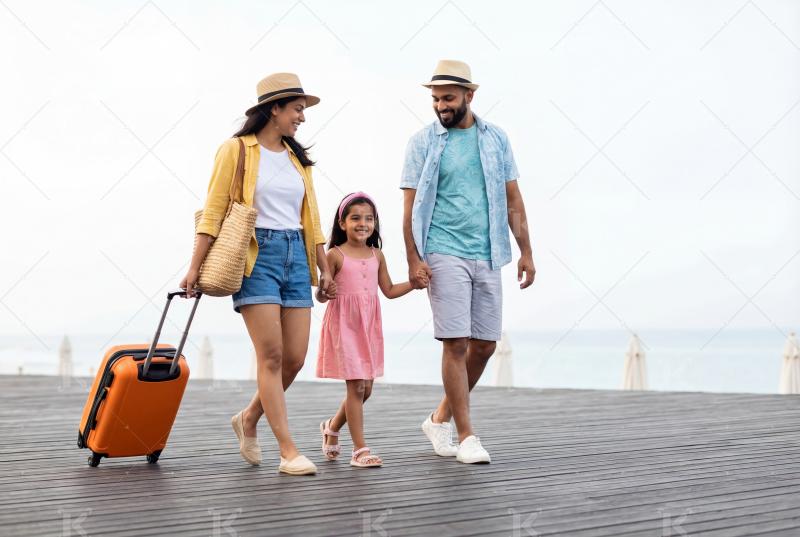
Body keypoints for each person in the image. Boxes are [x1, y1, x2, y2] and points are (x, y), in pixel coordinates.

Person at [181, 73, 334, 476]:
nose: (302, 117)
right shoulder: (236, 151)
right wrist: (194, 267)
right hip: (256, 255)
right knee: (271, 355)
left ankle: (248, 418)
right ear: (274, 109)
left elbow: (313, 218)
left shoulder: (298, 159)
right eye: (298, 109)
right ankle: (288, 451)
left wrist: (323, 264)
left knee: (295, 359)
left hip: (296, 255)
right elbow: (213, 210)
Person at [400, 60, 536, 464]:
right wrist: (413, 258)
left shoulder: (496, 139)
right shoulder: (422, 142)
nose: (440, 105)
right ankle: (467, 435)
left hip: (488, 250)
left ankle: (438, 418)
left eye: (448, 98)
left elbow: (513, 200)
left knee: (485, 345)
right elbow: (409, 208)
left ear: (469, 97)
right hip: (442, 249)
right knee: (455, 342)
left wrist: (526, 250)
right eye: (436, 99)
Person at [316, 192, 420, 468]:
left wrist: (414, 284)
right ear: (342, 223)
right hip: (344, 325)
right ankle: (360, 449)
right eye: (355, 218)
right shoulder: (334, 255)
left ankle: (332, 427)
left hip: (369, 326)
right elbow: (321, 293)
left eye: (369, 219)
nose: (363, 224)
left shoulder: (377, 255)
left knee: (367, 389)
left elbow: (388, 290)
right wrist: (326, 293)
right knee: (356, 386)